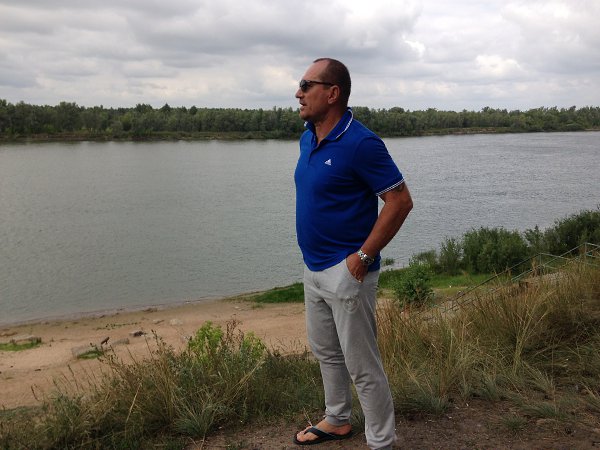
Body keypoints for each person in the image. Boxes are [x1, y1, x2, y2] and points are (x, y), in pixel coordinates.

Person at [293, 58, 413, 449]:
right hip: (313, 268)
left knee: (362, 365)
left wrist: (362, 257)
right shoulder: (308, 137)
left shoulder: (361, 143)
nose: (298, 93)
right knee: (326, 352)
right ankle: (337, 420)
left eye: (306, 85)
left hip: (348, 272)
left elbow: (399, 201)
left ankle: (381, 442)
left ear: (332, 93)